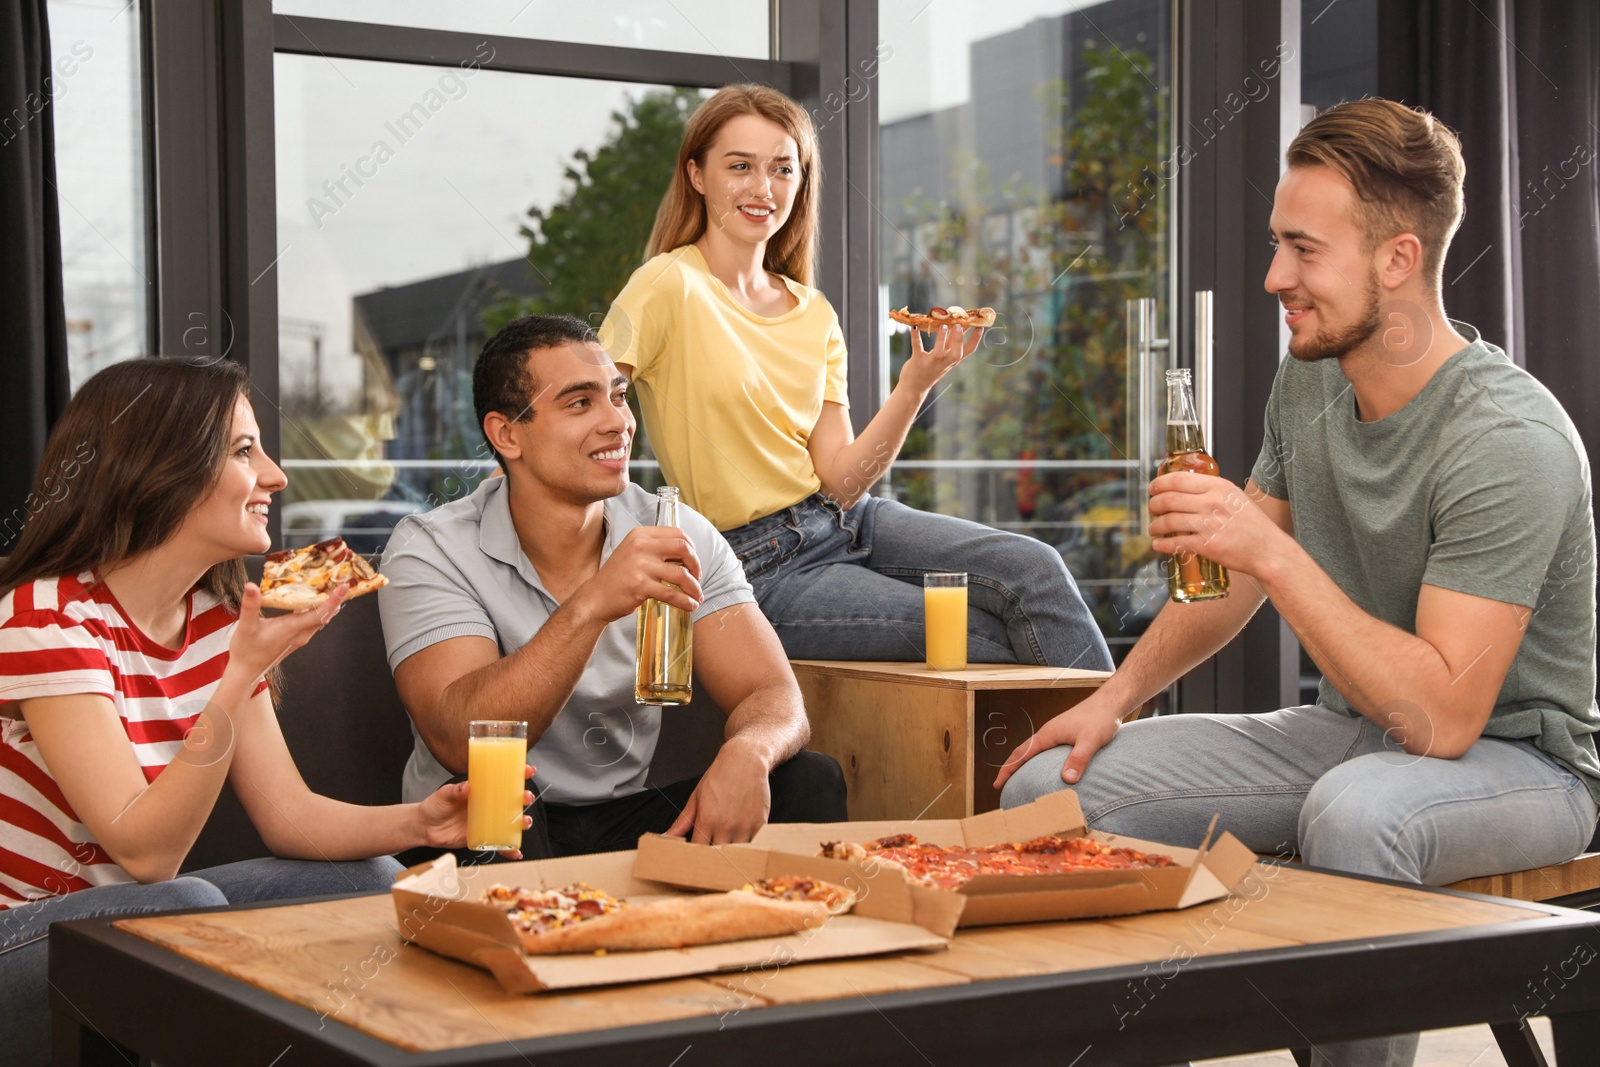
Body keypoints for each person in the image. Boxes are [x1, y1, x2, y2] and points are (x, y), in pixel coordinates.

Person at [995, 99, 1599, 1066]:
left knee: (1359, 812)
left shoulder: (1506, 439)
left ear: (1397, 259)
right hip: (1350, 734)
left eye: (1303, 251)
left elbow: (1441, 719)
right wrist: (1115, 695)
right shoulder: (1312, 378)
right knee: (1045, 790)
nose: (1276, 277)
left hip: (1520, 759)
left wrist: (1272, 552)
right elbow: (1233, 583)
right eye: (1277, 244)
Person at [0, 356, 521, 1067]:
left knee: (365, 880)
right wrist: (239, 670)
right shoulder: (49, 617)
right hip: (20, 939)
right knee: (184, 907)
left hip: (130, 916)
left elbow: (288, 814)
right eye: (245, 451)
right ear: (161, 466)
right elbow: (148, 853)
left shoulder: (215, 619)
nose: (276, 475)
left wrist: (420, 821)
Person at [599, 84, 1112, 672]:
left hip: (847, 518)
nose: (762, 188)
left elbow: (842, 482)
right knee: (974, 635)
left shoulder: (812, 311)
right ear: (697, 174)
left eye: (781, 169)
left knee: (1036, 569)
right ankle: (1091, 758)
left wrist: (915, 383)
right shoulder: (667, 285)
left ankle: (1123, 749)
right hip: (751, 564)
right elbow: (588, 400)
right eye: (739, 166)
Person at [379, 314, 846, 857]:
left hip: (625, 822)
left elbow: (771, 694)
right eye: (580, 403)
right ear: (507, 434)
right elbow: (460, 739)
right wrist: (592, 605)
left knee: (809, 779)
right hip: (478, 823)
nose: (618, 422)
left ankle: (742, 935)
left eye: (618, 396)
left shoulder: (676, 531)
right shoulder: (430, 548)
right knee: (500, 795)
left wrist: (751, 751)